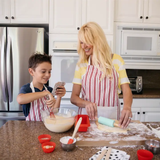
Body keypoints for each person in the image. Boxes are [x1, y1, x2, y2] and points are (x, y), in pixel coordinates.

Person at [70, 22, 132, 128]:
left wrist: (127, 107)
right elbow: (73, 97)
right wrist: (86, 103)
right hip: (87, 120)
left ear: (97, 40)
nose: (83, 46)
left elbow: (126, 90)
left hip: (111, 120)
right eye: (81, 42)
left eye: (86, 42)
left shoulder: (116, 61)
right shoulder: (81, 64)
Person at [17, 53, 66, 121]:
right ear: (31, 71)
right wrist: (46, 93)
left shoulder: (49, 89)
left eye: (49, 71)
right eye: (43, 71)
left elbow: (54, 112)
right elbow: (20, 100)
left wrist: (59, 97)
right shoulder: (27, 89)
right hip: (31, 129)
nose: (47, 75)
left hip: (47, 127)